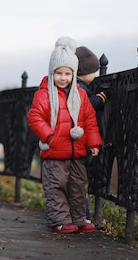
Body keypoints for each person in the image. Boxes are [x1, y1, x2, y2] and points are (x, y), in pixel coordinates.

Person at [27, 36, 102, 234]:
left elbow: (90, 119)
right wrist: (48, 136)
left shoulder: (80, 94)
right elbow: (35, 117)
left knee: (77, 186)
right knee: (56, 186)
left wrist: (93, 143)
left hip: (76, 151)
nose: (63, 78)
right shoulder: (44, 94)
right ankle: (60, 220)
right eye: (58, 73)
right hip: (54, 152)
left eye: (67, 74)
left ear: (74, 74)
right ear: (52, 73)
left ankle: (79, 218)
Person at [75, 45, 107, 223]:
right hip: (80, 140)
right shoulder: (81, 88)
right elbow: (88, 106)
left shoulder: (74, 86)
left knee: (75, 179)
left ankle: (77, 215)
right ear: (84, 72)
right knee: (80, 179)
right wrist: (102, 98)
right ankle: (83, 216)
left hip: (75, 139)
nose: (95, 75)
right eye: (93, 71)